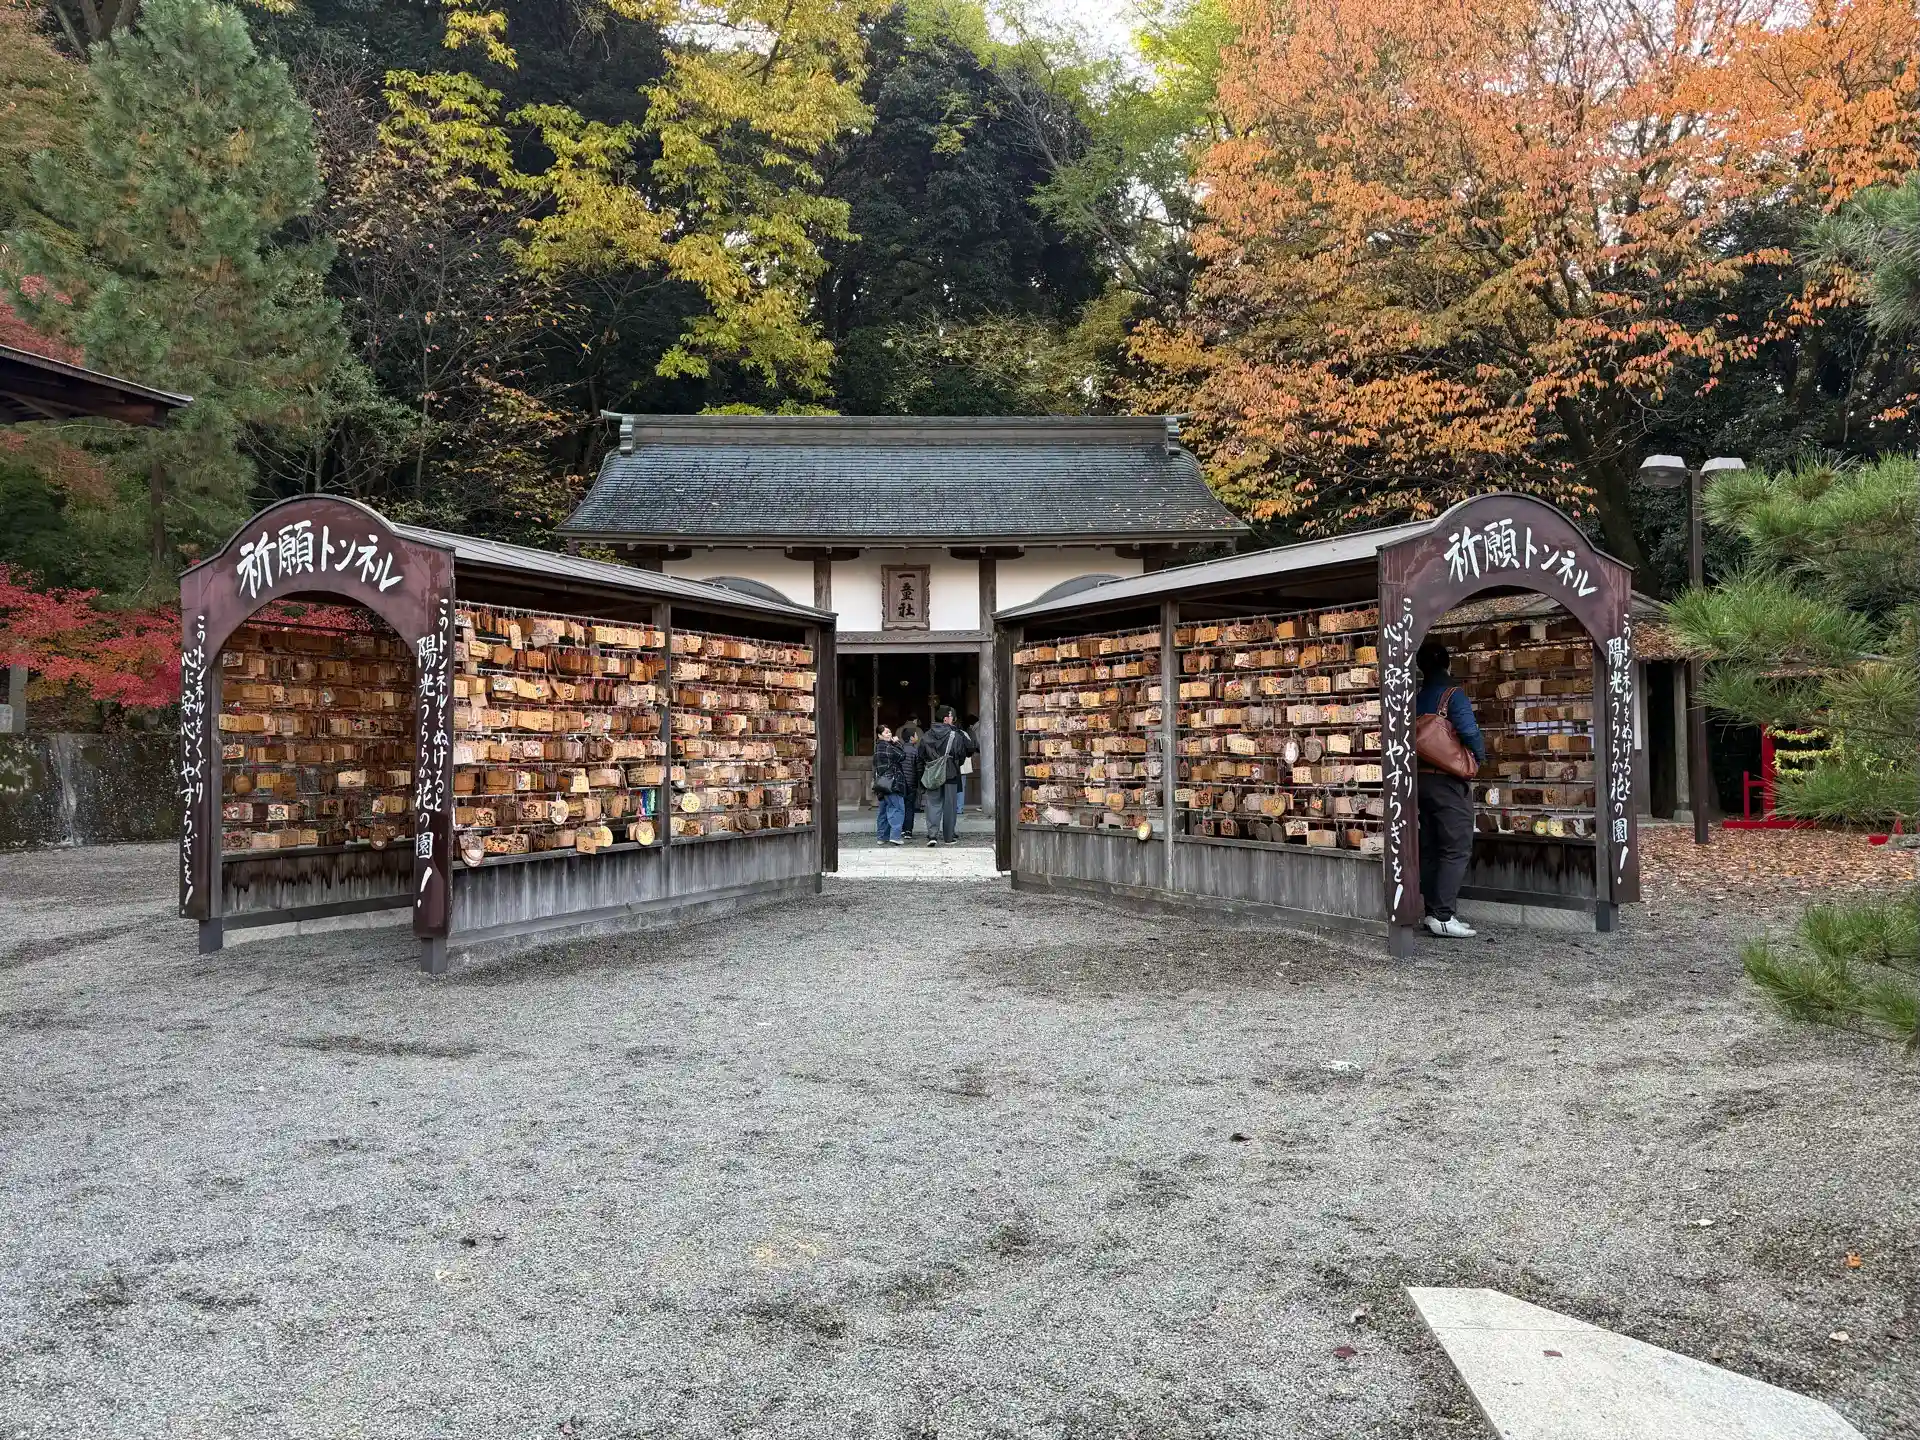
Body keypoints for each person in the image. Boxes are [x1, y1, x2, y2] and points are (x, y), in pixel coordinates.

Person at [1415, 640, 1487, 938]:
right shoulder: (1452, 695)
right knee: (1456, 847)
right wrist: (1479, 758)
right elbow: (1469, 731)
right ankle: (1444, 915)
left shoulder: (1416, 697)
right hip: (1448, 780)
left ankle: (1431, 912)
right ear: (1447, 664)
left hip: (1421, 780)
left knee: (1431, 847)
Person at [917, 704, 977, 847]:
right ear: (946, 718)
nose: (953, 719)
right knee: (950, 806)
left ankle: (932, 835)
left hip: (932, 773)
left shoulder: (927, 735)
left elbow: (920, 755)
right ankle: (948, 836)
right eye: (951, 716)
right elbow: (966, 751)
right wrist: (955, 763)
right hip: (951, 773)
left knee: (933, 804)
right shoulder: (955, 734)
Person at [871, 725, 911, 845]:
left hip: (882, 784)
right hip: (892, 783)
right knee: (897, 808)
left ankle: (882, 837)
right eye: (886, 733)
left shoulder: (877, 747)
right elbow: (902, 756)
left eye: (889, 732)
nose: (889, 734)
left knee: (883, 811)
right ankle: (895, 836)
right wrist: (897, 742)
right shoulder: (888, 747)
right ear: (879, 735)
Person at [897, 720, 923, 839]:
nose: (917, 737)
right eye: (916, 735)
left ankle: (900, 829)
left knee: (899, 806)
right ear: (912, 738)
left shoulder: (899, 749)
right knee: (909, 807)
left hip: (900, 783)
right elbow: (919, 768)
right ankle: (908, 830)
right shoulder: (915, 751)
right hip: (911, 783)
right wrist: (920, 782)